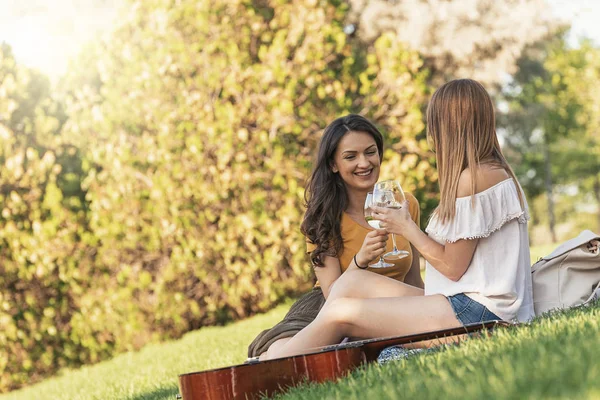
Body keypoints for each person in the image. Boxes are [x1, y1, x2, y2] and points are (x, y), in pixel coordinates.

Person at [265, 78, 535, 360]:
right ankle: (323, 350)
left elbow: (453, 268)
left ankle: (271, 366)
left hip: (475, 314)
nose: (433, 137)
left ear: (450, 127)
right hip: (461, 304)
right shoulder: (491, 172)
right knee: (349, 286)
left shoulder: (473, 178)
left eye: (435, 125)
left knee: (341, 312)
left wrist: (406, 227)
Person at [248, 114, 424, 360]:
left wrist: (427, 311)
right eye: (351, 157)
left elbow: (414, 279)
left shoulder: (404, 204)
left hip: (390, 306)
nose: (364, 163)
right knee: (282, 354)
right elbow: (333, 294)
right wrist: (360, 260)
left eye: (370, 152)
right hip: (324, 308)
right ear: (333, 164)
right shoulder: (323, 218)